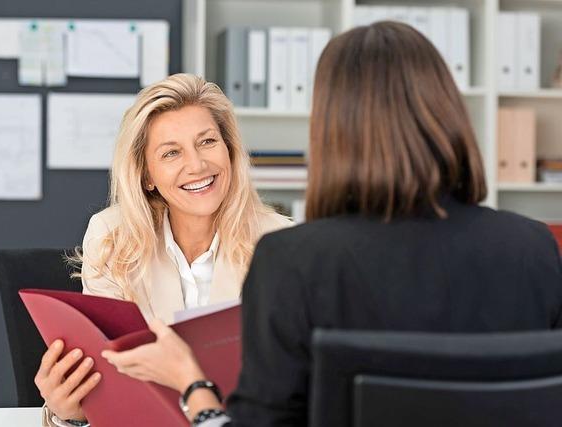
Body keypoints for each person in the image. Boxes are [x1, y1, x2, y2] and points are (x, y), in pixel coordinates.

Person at [101, 21, 562, 426]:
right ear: (451, 115)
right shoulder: (534, 248)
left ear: (331, 129)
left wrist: (193, 386)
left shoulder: (292, 261)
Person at [34, 73, 292, 427]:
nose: (198, 165)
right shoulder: (113, 237)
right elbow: (108, 390)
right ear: (147, 175)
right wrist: (69, 413)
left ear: (230, 152)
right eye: (171, 152)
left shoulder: (283, 246)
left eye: (207, 142)